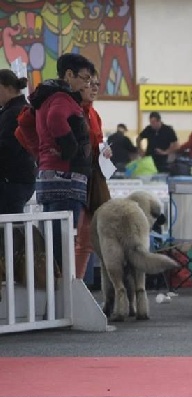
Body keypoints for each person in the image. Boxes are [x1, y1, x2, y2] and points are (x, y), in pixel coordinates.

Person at [29, 53, 95, 270]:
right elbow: (56, 118)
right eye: (84, 78)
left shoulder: (45, 97)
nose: (87, 83)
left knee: (51, 241)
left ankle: (53, 293)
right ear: (69, 74)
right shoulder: (61, 98)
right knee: (61, 244)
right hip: (65, 178)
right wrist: (70, 148)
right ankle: (60, 296)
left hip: (49, 176)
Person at [74, 71, 112, 279]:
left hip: (93, 178)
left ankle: (78, 284)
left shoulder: (94, 114)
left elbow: (97, 142)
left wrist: (105, 150)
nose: (95, 88)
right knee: (74, 236)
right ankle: (70, 286)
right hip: (77, 178)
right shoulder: (74, 111)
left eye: (98, 84)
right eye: (91, 83)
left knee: (87, 238)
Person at [0, 69, 35, 214]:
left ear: (9, 88)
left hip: (12, 180)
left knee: (10, 229)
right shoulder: (19, 109)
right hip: (20, 178)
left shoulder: (14, 113)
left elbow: (7, 148)